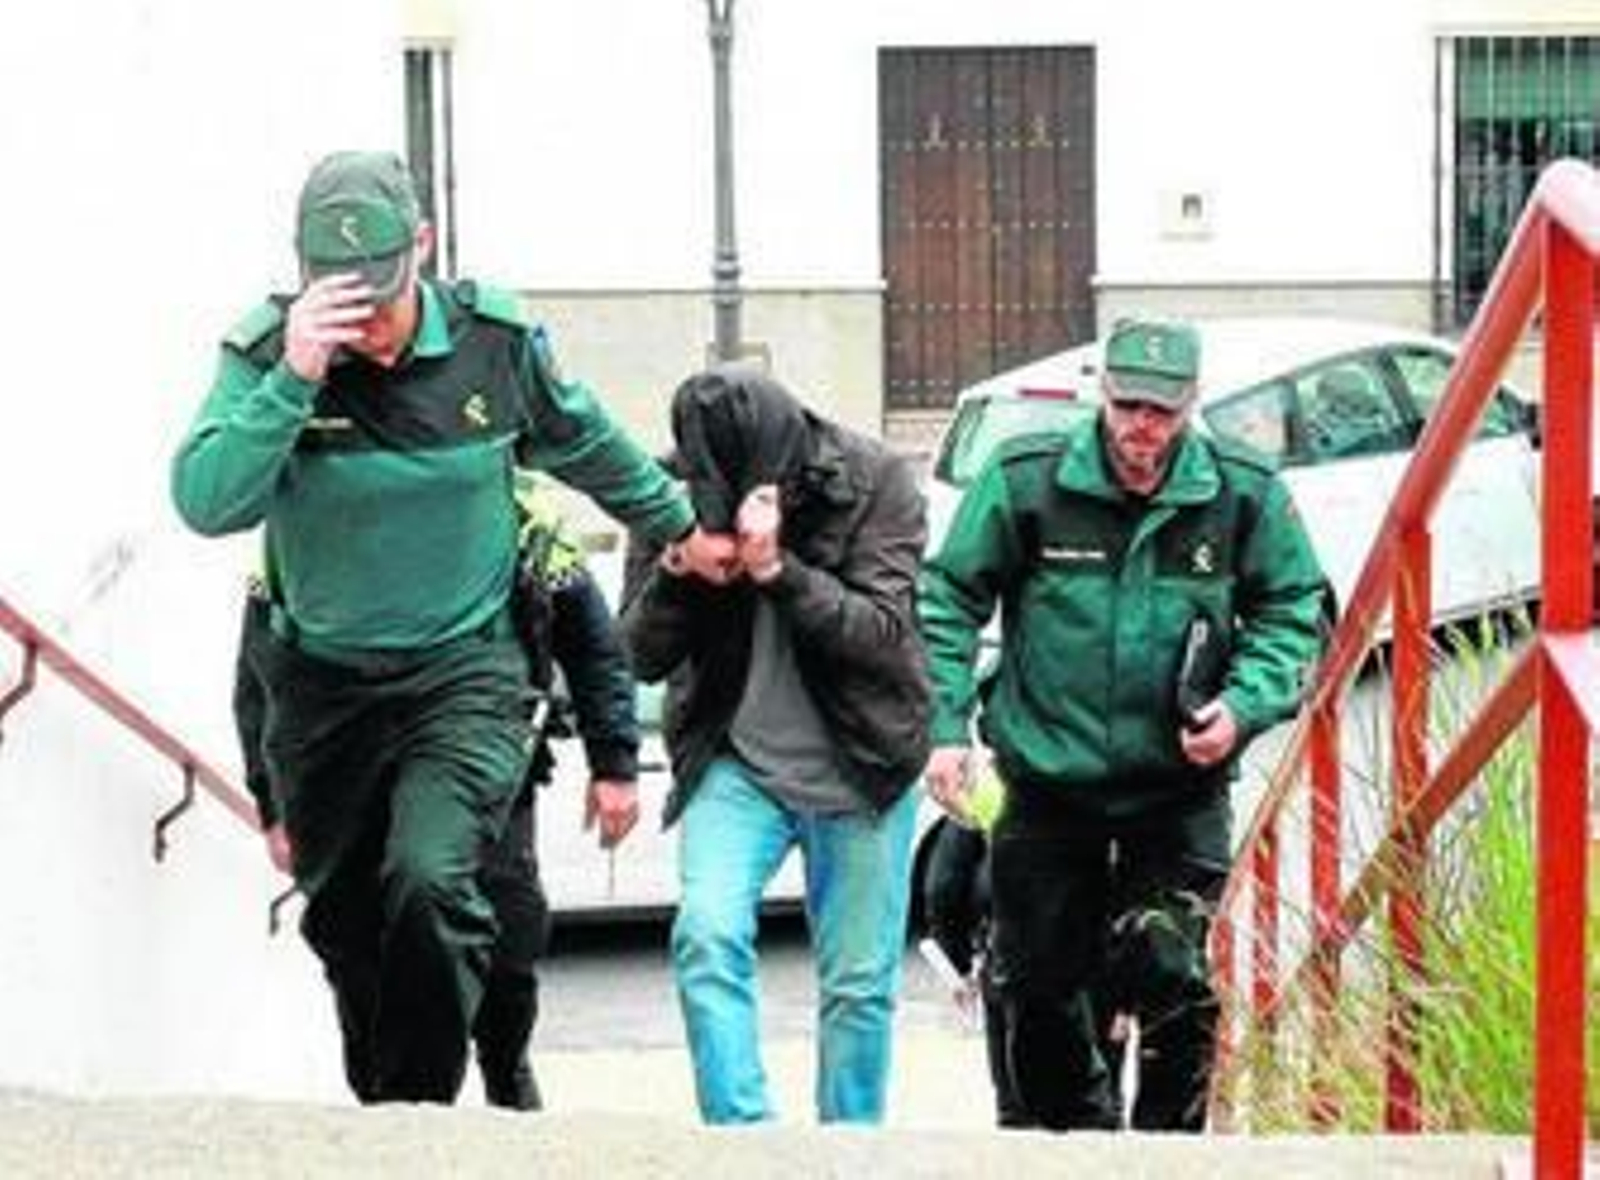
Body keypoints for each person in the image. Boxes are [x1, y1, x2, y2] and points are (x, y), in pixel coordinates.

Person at [173, 150, 720, 1105]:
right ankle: (394, 1109)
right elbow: (208, 500)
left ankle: (418, 1123)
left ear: (423, 245)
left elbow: (587, 439)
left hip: (460, 675)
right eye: (345, 300)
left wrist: (678, 526)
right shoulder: (267, 354)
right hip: (323, 690)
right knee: (345, 930)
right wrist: (295, 378)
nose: (372, 328)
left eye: (383, 297)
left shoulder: (493, 343)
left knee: (432, 885)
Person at [920, 317, 1326, 1132]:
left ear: (1191, 406)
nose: (1143, 428)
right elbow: (948, 597)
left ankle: (1167, 1151)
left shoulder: (1241, 492)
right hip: (1047, 777)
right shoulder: (1028, 479)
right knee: (1035, 983)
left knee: (1172, 973)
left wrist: (1243, 707)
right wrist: (945, 726)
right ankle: (1084, 1142)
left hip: (1175, 785)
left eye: (1162, 411)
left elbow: (1293, 611)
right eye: (1129, 406)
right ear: (1102, 395)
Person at [619, 367, 931, 1125]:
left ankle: (847, 1152)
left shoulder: (874, 478)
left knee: (858, 988)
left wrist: (776, 571)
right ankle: (745, 1145)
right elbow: (636, 653)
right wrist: (678, 571)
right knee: (706, 933)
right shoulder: (668, 490)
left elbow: (884, 639)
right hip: (737, 759)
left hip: (864, 763)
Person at [470, 477, 642, 1112]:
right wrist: (276, 797)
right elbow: (264, 657)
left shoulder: (532, 515)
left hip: (501, 762)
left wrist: (615, 764)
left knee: (511, 925)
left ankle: (505, 1063)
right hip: (368, 757)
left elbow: (596, 648)